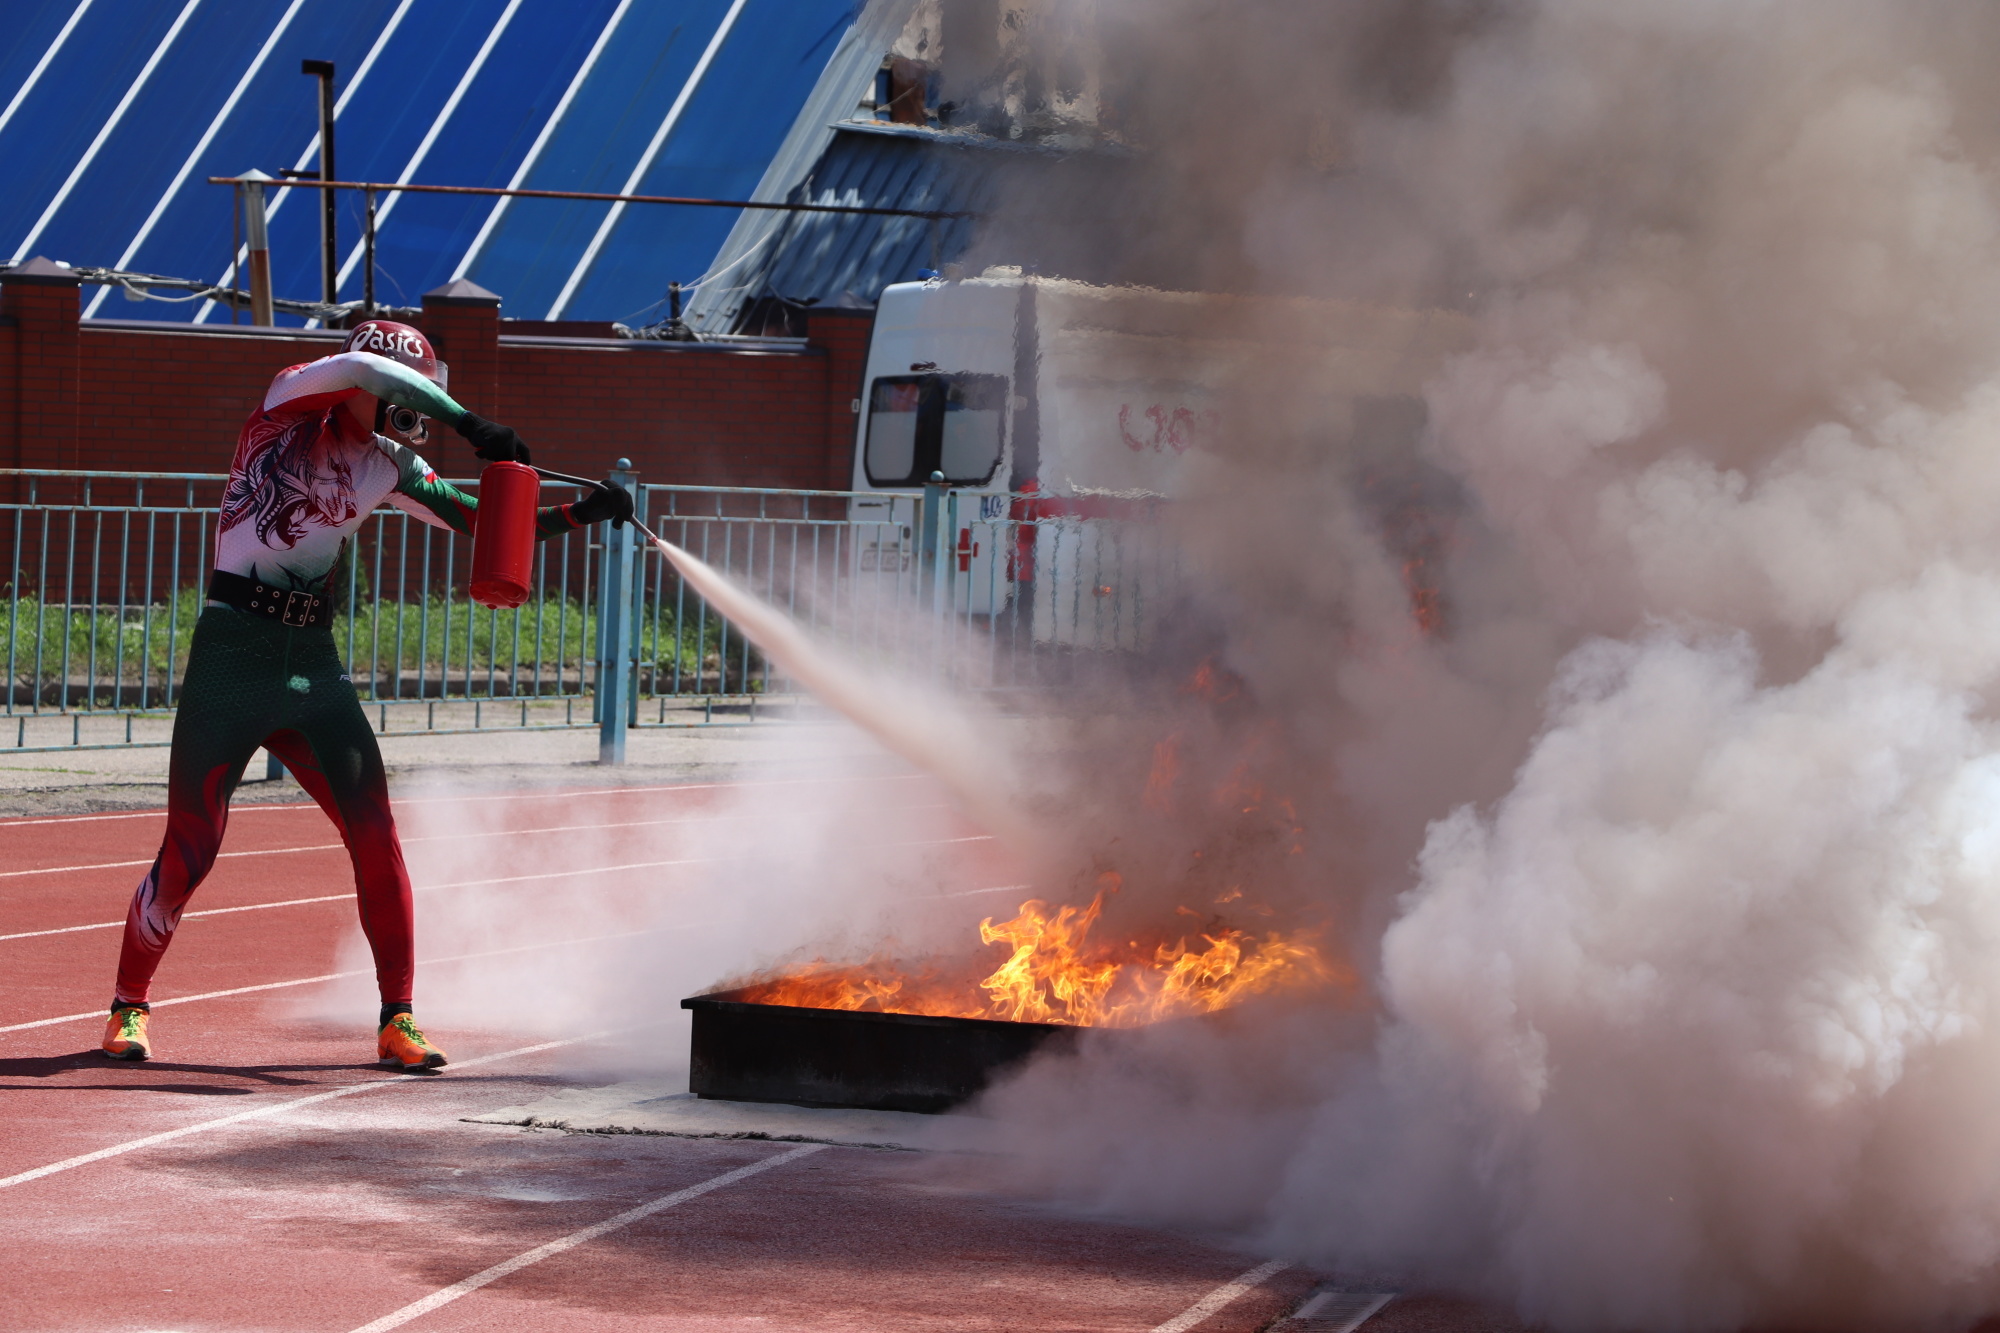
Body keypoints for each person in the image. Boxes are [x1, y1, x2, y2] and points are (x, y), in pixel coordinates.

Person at [100, 319, 632, 1070]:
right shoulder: (281, 408)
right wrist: (468, 421)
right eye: (401, 394)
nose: (410, 411)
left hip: (311, 665)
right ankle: (128, 1005)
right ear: (363, 384)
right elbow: (359, 365)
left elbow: (487, 525)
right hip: (231, 658)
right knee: (192, 847)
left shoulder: (391, 465)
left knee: (376, 832)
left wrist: (583, 513)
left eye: (423, 401)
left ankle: (398, 1018)